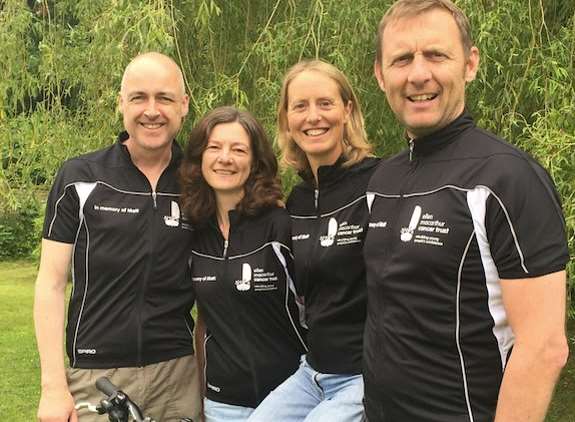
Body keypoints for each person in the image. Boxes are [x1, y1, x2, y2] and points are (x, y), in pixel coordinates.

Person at [363, 1, 570, 421]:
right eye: (402, 59)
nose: (418, 74)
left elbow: (545, 347)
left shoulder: (508, 179)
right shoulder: (382, 181)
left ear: (470, 64)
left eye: (436, 55)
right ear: (381, 76)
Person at [34, 52, 201, 422]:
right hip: (97, 377)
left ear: (184, 105)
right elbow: (51, 283)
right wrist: (52, 387)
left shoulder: (200, 181)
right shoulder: (80, 177)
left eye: (165, 98)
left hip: (177, 375)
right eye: (139, 97)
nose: (152, 110)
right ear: (121, 104)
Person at [248, 60, 378, 422]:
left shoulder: (380, 183)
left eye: (325, 103)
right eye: (300, 106)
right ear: (287, 119)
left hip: (365, 375)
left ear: (347, 109)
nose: (313, 117)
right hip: (314, 372)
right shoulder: (298, 200)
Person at [179, 106, 307, 422]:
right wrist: (202, 399)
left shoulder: (281, 226)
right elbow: (205, 321)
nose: (226, 158)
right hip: (223, 406)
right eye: (214, 147)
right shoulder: (195, 233)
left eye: (238, 149)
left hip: (290, 401)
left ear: (255, 162)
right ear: (199, 158)